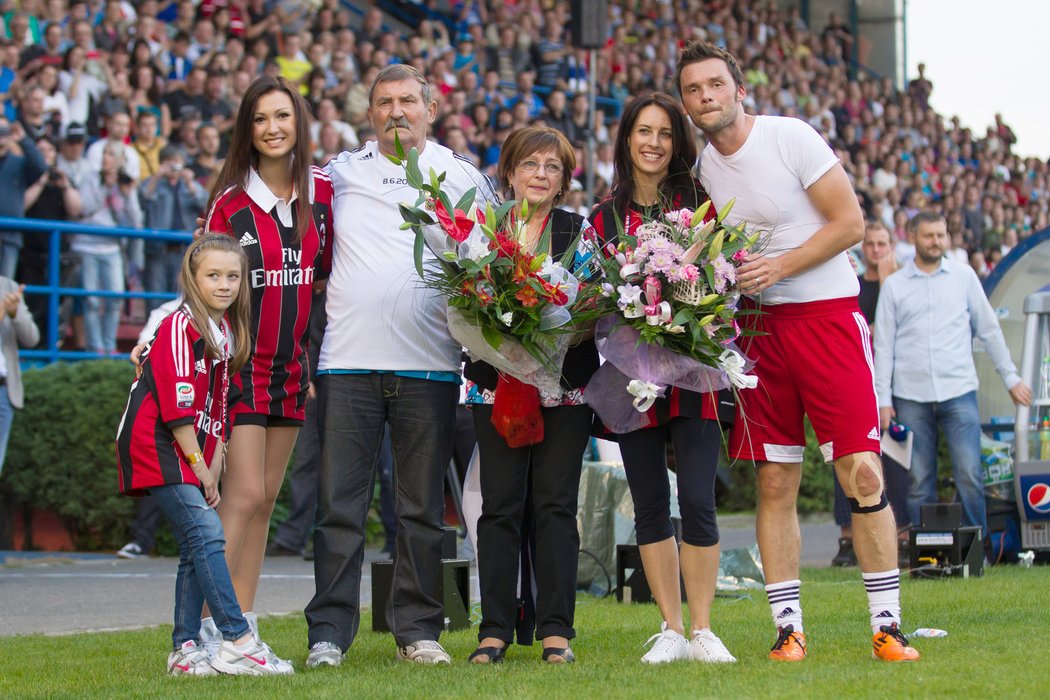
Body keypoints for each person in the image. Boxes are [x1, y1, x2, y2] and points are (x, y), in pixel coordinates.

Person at [678, 40, 919, 662]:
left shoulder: (790, 137)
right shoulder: (702, 170)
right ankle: (789, 631)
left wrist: (778, 265)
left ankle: (888, 626)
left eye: (714, 85)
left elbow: (849, 224)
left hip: (828, 318)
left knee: (861, 471)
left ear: (738, 88)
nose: (705, 97)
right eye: (693, 90)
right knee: (776, 479)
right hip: (758, 330)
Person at [304, 64, 498, 669]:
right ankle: (329, 635)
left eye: (407, 101)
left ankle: (418, 631)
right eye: (383, 101)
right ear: (369, 113)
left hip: (431, 367)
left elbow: (495, 263)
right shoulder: (338, 174)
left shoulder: (463, 177)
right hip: (346, 364)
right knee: (340, 507)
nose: (396, 111)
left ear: (431, 107)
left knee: (418, 510)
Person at [587, 93, 736, 665]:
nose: (653, 143)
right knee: (650, 500)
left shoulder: (701, 207)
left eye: (665, 134)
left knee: (698, 498)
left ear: (677, 143)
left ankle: (703, 629)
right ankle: (670, 628)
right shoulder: (603, 217)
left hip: (693, 371)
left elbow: (723, 287)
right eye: (643, 132)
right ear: (626, 139)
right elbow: (595, 301)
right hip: (631, 378)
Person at [198, 74, 333, 667]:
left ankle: (242, 629)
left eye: (283, 116)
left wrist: (306, 354)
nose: (274, 128)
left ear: (299, 124)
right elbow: (201, 287)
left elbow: (320, 281)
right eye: (260, 119)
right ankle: (207, 634)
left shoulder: (320, 196)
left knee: (266, 498)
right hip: (240, 368)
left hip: (289, 371)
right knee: (243, 493)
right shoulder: (229, 203)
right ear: (247, 130)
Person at [115, 234, 291, 676]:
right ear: (193, 279)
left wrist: (213, 465)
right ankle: (238, 639)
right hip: (159, 445)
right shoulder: (180, 325)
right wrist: (200, 467)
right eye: (213, 275)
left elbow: (218, 408)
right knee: (209, 534)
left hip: (193, 450)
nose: (225, 284)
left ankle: (185, 650)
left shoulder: (226, 330)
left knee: (197, 545)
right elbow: (177, 411)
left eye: (233, 276)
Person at [464, 126, 597, 665]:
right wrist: (504, 334)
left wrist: (547, 333)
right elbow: (464, 300)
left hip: (564, 388)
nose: (540, 174)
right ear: (510, 171)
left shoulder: (577, 231)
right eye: (530, 164)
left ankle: (555, 632)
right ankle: (493, 629)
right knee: (498, 508)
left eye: (552, 167)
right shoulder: (482, 231)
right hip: (494, 387)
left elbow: (592, 311)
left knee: (556, 507)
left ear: (564, 179)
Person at [874, 211, 1032, 534]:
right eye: (929, 236)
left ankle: (978, 550)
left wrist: (1011, 378)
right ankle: (926, 554)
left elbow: (989, 330)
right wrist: (883, 400)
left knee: (970, 474)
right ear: (914, 238)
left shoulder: (964, 276)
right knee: (919, 481)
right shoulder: (894, 286)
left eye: (941, 235)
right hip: (911, 395)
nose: (936, 242)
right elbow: (884, 347)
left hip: (959, 390)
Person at [832, 220, 911, 567]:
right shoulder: (855, 284)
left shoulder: (903, 284)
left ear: (892, 246)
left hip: (895, 381)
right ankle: (847, 536)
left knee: (894, 460)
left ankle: (902, 532)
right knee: (846, 454)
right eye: (872, 244)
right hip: (855, 376)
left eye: (883, 244)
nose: (877, 250)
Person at [74, 141, 142, 356]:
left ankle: (109, 344)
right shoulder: (90, 178)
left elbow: (136, 221)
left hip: (112, 246)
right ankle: (96, 348)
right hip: (87, 244)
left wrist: (127, 193)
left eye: (111, 154)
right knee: (92, 300)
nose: (105, 158)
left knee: (115, 298)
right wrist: (106, 188)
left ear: (121, 160)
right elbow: (85, 208)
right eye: (104, 153)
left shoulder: (125, 183)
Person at [139, 145, 208, 311]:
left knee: (181, 299)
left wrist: (190, 182)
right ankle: (154, 335)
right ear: (162, 163)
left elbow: (204, 203)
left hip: (184, 250)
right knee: (155, 299)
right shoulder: (152, 182)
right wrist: (157, 176)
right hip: (157, 249)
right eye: (169, 162)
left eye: (178, 162)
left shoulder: (189, 184)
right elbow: (143, 200)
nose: (174, 167)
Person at [0, 118, 47, 279]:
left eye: (4, 131)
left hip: (10, 236)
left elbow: (40, 167)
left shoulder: (19, 163)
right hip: (9, 234)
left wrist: (23, 139)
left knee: (5, 289)